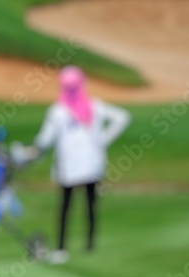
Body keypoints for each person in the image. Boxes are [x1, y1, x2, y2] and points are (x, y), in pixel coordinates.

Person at [26, 66, 130, 263]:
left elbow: (45, 139)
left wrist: (33, 150)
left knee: (65, 206)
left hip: (70, 167)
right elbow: (122, 118)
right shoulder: (94, 106)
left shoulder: (58, 111)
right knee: (90, 204)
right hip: (92, 164)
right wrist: (103, 140)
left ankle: (61, 249)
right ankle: (89, 246)